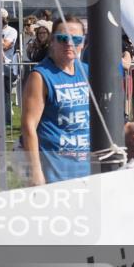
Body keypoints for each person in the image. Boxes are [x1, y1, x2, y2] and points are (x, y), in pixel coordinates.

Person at [21, 15, 91, 185]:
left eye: (75, 39)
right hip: (55, 171)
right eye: (62, 38)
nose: (69, 43)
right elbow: (28, 126)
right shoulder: (40, 76)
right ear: (52, 41)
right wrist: (36, 172)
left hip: (88, 169)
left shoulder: (87, 71)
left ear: (83, 43)